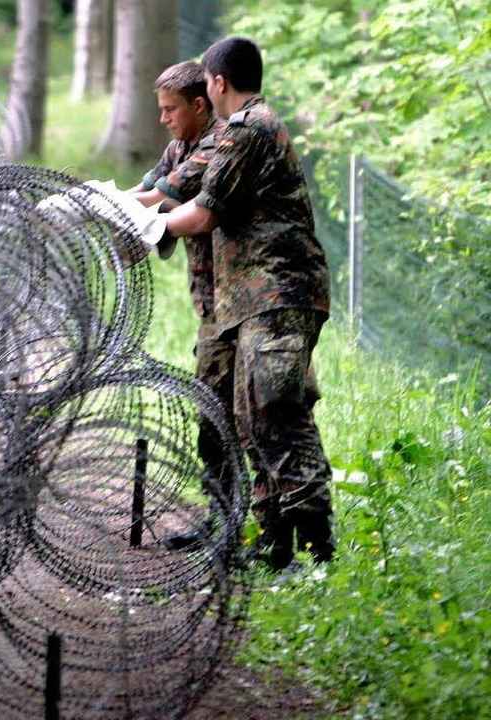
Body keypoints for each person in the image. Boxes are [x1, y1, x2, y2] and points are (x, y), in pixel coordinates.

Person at [160, 37, 335, 570]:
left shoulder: (247, 129)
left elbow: (203, 213)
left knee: (277, 415)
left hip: (277, 293)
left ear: (216, 83)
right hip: (255, 299)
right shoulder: (246, 128)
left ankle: (315, 550)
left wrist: (145, 223)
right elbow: (178, 188)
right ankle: (275, 542)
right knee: (251, 418)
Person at [128, 61, 234, 548]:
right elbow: (142, 190)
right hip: (214, 304)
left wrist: (117, 210)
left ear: (198, 104)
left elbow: (156, 197)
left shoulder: (218, 145)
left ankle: (251, 526)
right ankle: (221, 519)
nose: (163, 119)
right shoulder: (180, 144)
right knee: (212, 413)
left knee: (248, 417)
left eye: (171, 110)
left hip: (240, 300)